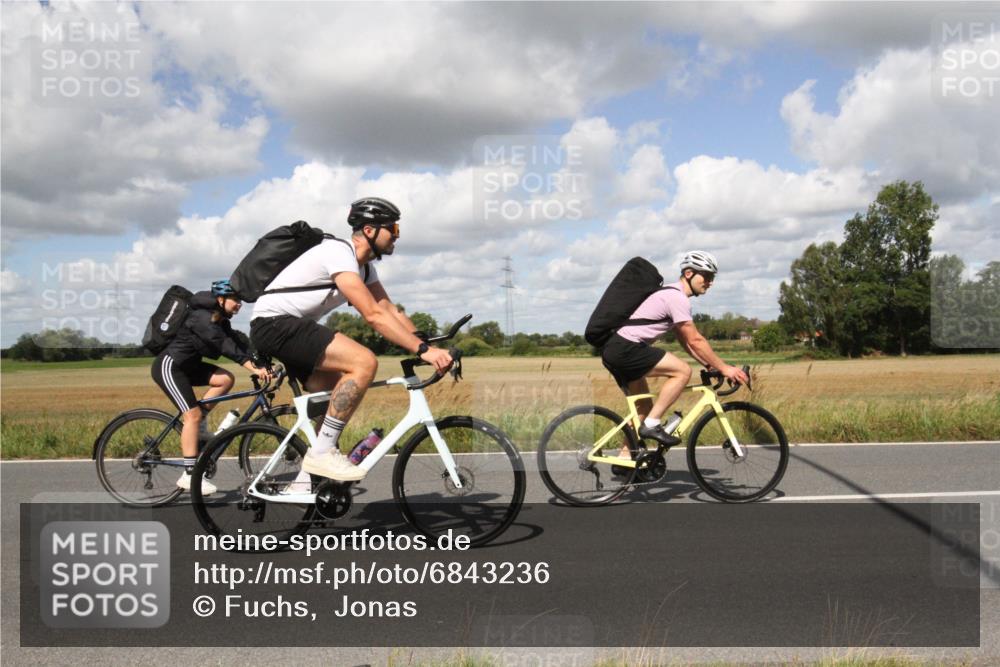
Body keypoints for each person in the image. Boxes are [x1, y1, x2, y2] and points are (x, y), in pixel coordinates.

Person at [249, 197, 452, 484]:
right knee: (364, 362)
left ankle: (306, 480)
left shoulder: (365, 268)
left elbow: (389, 310)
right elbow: (373, 315)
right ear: (369, 230)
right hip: (274, 323)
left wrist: (426, 343)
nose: (397, 236)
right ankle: (322, 453)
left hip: (288, 327)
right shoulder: (338, 252)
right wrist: (422, 350)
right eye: (393, 229)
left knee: (337, 391)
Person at [601, 251, 750, 451]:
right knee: (683, 371)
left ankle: (625, 458)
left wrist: (709, 364)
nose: (710, 282)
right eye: (706, 276)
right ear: (688, 273)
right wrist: (725, 368)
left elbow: (686, 342)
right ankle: (652, 425)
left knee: (644, 408)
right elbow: (696, 339)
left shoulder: (671, 295)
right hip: (626, 348)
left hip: (617, 349)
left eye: (712, 278)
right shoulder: (676, 298)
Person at [151, 279, 272, 493]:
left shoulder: (220, 319)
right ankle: (190, 475)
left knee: (225, 379)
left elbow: (237, 342)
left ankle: (199, 428)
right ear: (221, 299)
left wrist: (261, 362)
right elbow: (223, 344)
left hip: (188, 367)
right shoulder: (201, 317)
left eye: (241, 301)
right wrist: (252, 369)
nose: (239, 304)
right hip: (170, 367)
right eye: (235, 299)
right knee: (192, 416)